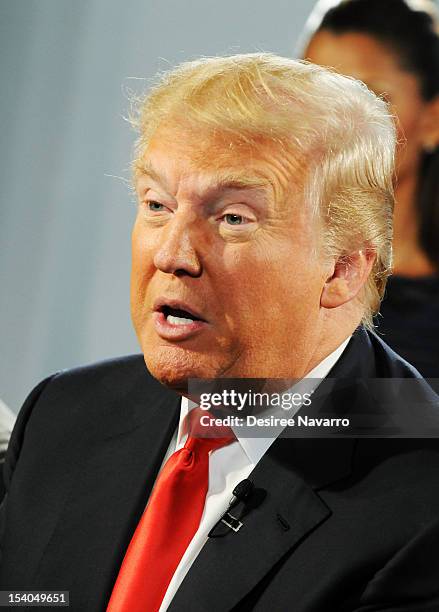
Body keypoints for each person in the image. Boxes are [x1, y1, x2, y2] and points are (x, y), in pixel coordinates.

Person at [1, 53, 439, 612]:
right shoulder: (66, 414)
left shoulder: (422, 502)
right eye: (157, 205)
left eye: (232, 217)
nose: (171, 254)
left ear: (342, 268)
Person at [302, 0, 439, 378]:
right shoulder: (256, 269)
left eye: (371, 98)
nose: (335, 123)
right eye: (316, 96)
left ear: (432, 118)